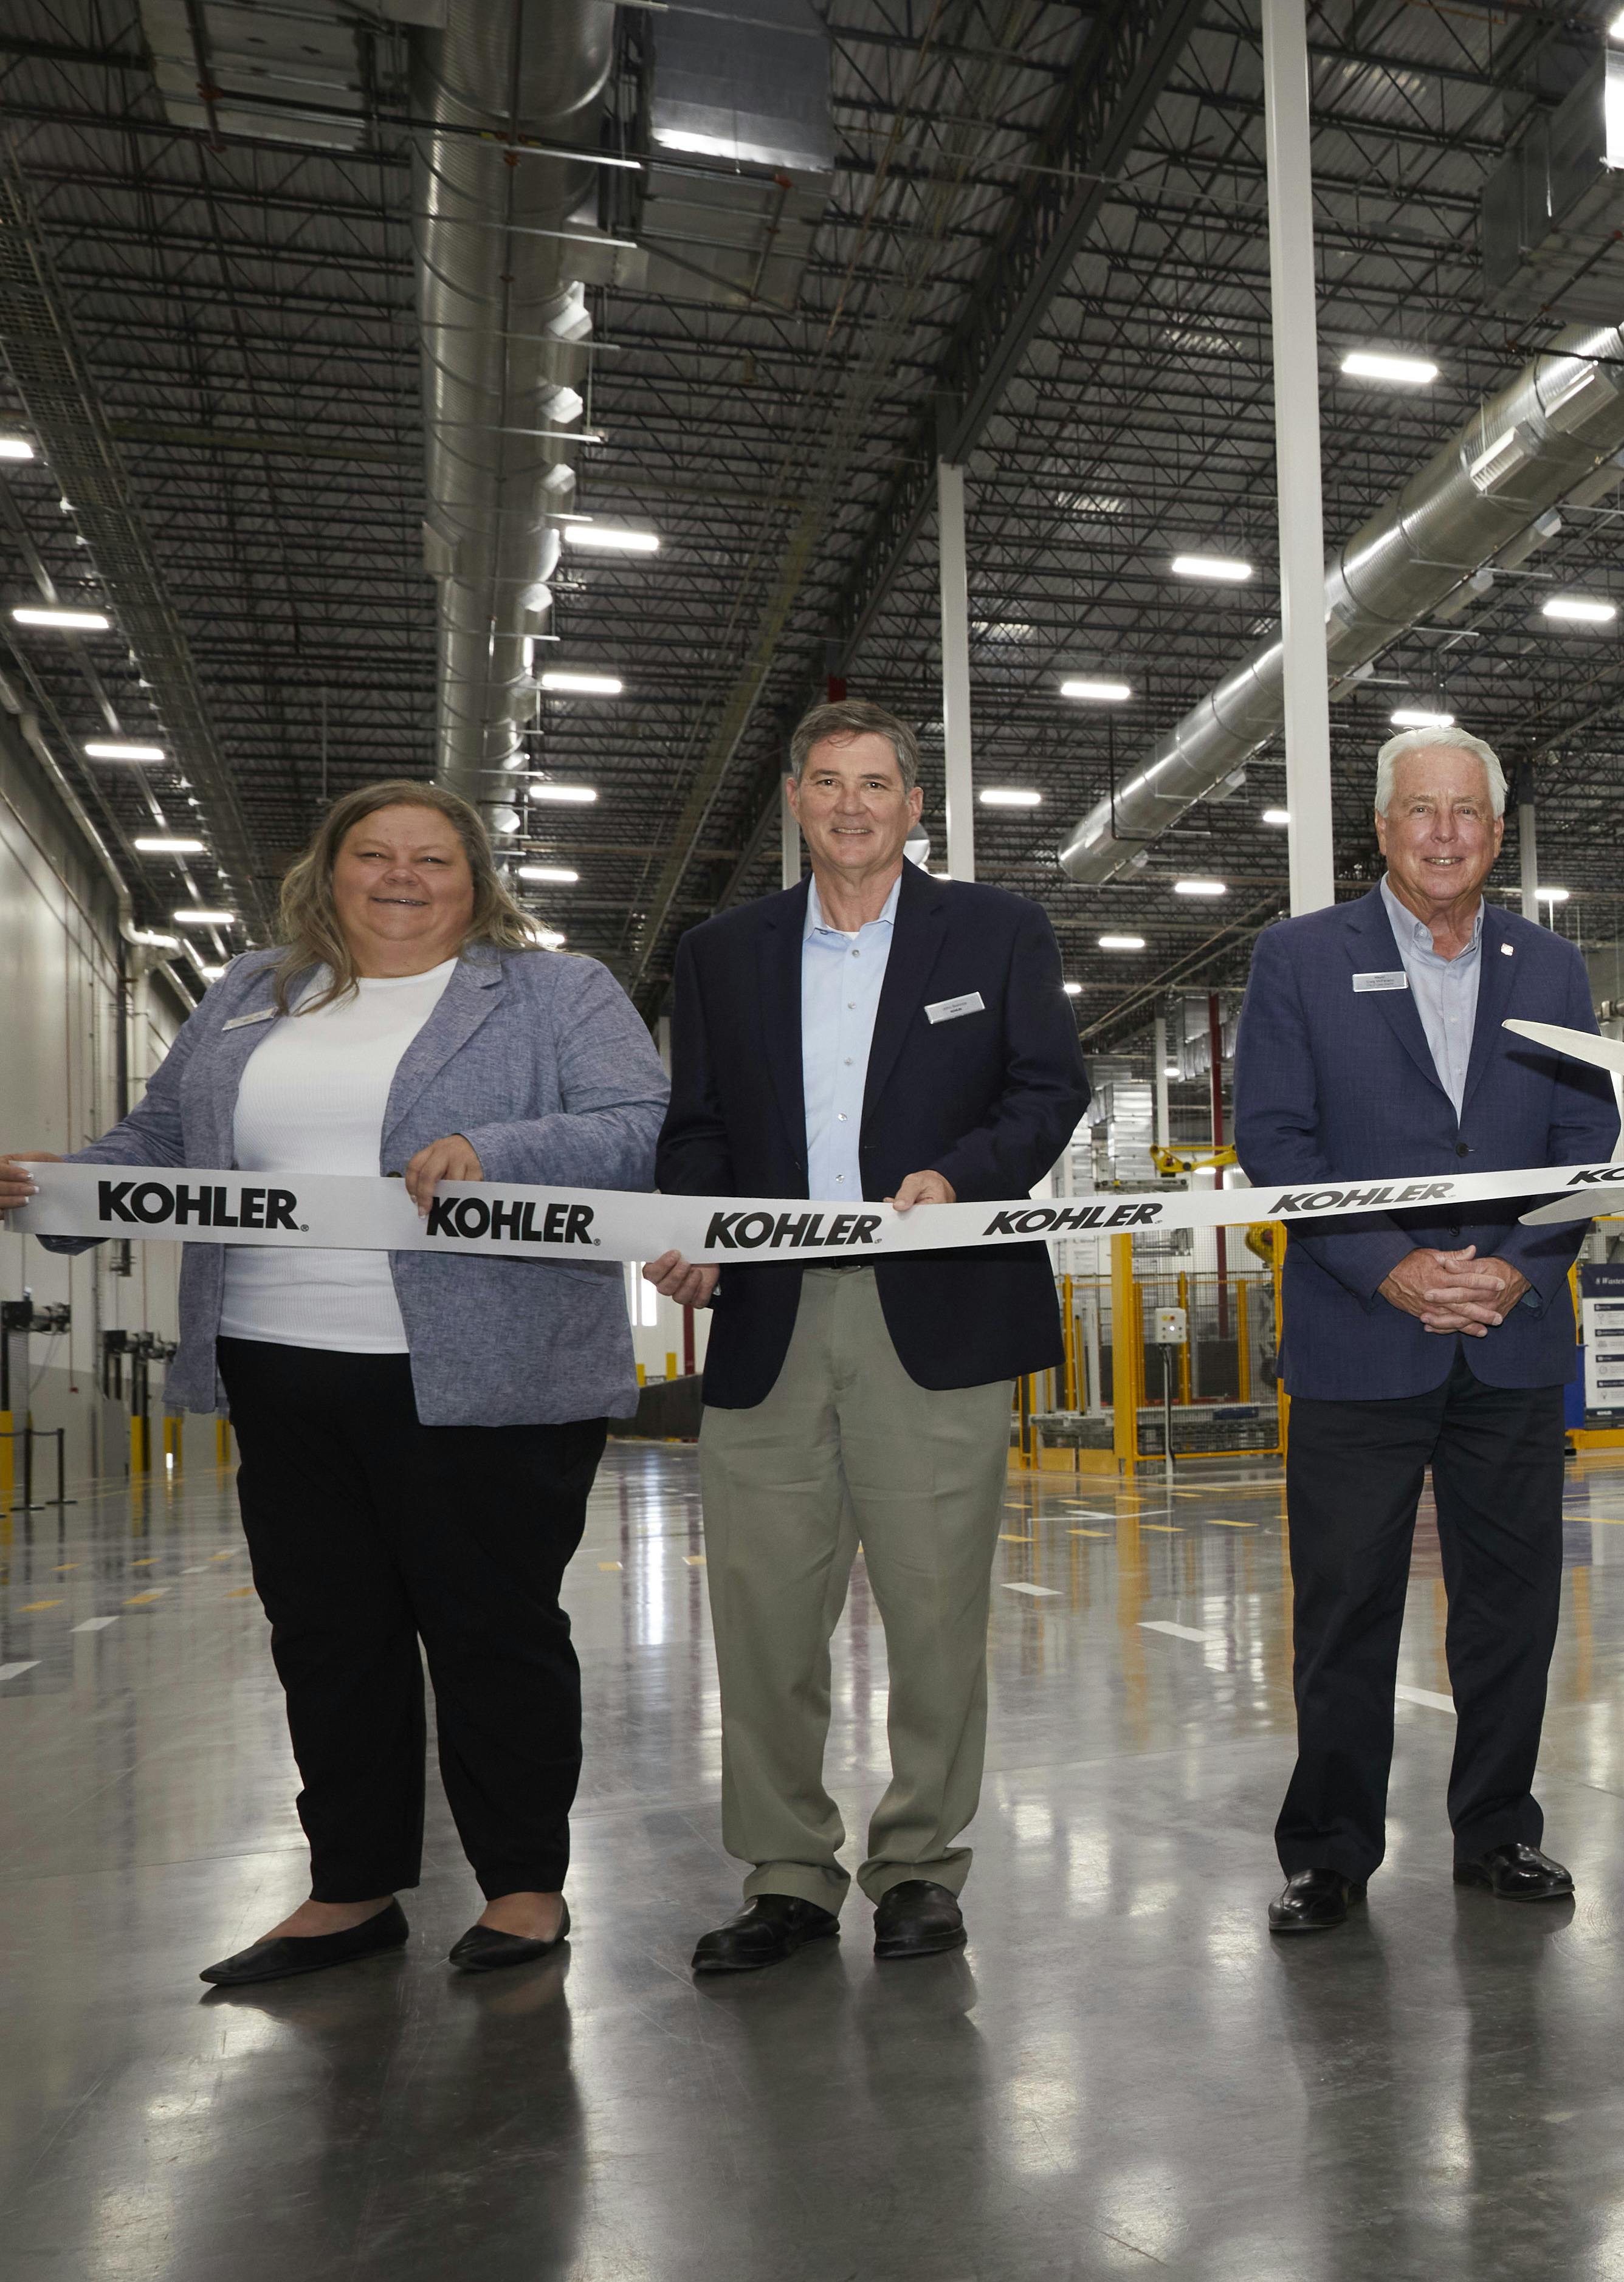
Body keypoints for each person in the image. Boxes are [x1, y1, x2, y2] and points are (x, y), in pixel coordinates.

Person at [5, 780, 664, 1985]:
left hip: (485, 1374)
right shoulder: (251, 991)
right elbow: (165, 1141)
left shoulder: (554, 991)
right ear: (329, 869)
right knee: (329, 1632)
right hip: (279, 1359)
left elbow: (634, 1122)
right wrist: (61, 1187)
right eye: (374, 853)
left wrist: (497, 1151)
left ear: (476, 883)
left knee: (492, 1630)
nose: (401, 876)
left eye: (433, 858)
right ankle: (350, 1887)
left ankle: (523, 1886)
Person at [643, 698, 1086, 1975]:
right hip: (769, 1317)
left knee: (936, 1609)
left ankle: (917, 1867)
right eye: (827, 782)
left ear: (913, 804)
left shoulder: (996, 932)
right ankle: (785, 1873)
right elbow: (697, 1125)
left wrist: (964, 1178)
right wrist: (704, 1224)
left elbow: (1049, 1087)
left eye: (876, 783)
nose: (851, 804)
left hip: (935, 1308)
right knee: (763, 1613)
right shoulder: (723, 951)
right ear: (795, 800)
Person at [1242, 724, 1617, 1932]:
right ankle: (1330, 1850)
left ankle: (1499, 1829)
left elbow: (1586, 1147)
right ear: (1382, 826)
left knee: (1510, 1601)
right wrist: (1391, 1266)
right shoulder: (1298, 959)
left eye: (1466, 811)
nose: (1444, 831)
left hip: (1507, 1334)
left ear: (1496, 834)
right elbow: (1276, 1145)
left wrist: (1514, 1268)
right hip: (1359, 1334)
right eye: (1421, 809)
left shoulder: (1551, 967)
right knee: (1344, 1600)